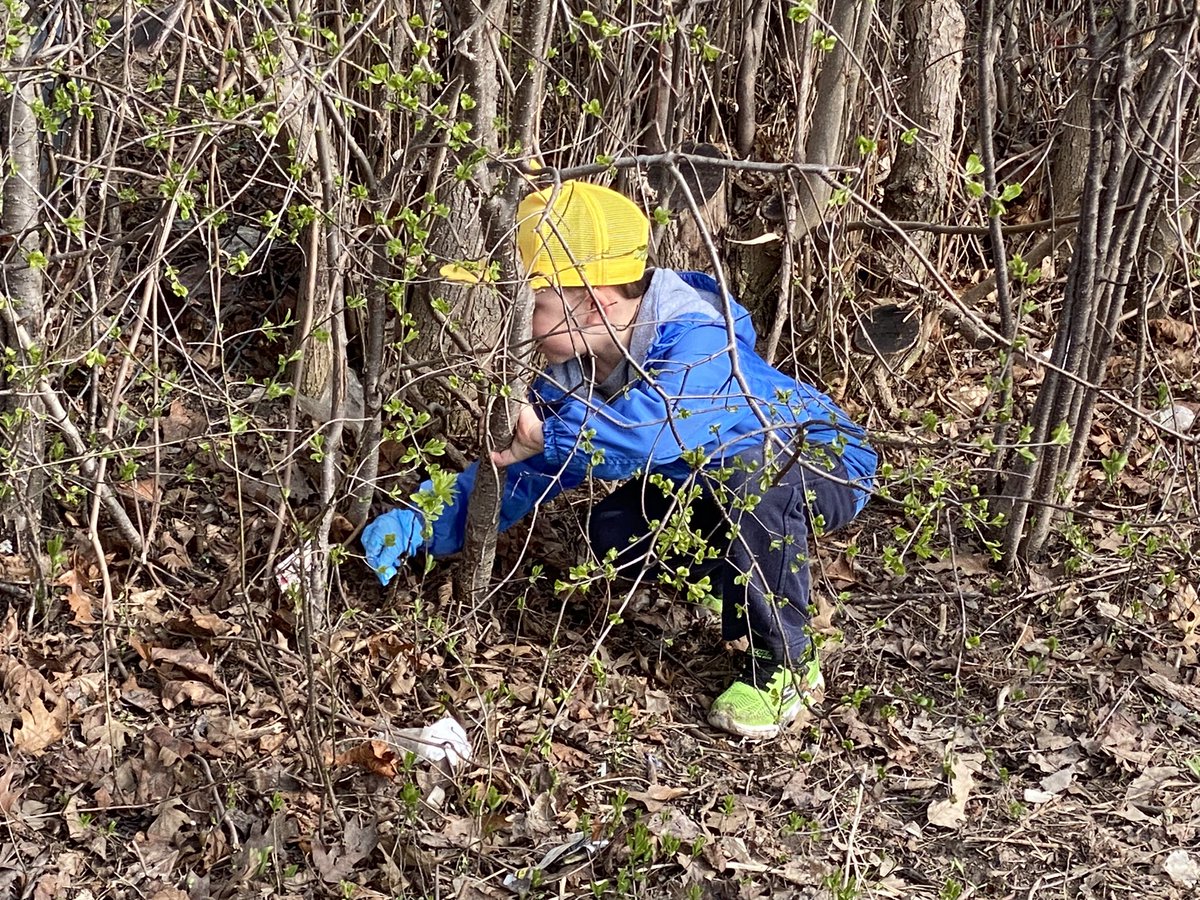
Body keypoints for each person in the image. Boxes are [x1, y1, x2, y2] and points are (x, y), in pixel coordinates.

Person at [363, 180, 877, 740]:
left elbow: (648, 429)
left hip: (823, 460)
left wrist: (553, 441)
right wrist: (422, 520)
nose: (522, 325)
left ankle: (787, 666)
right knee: (613, 530)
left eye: (535, 307)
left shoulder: (702, 339)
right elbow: (523, 466)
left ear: (595, 302)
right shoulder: (572, 376)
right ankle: (744, 587)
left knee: (756, 479)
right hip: (712, 484)